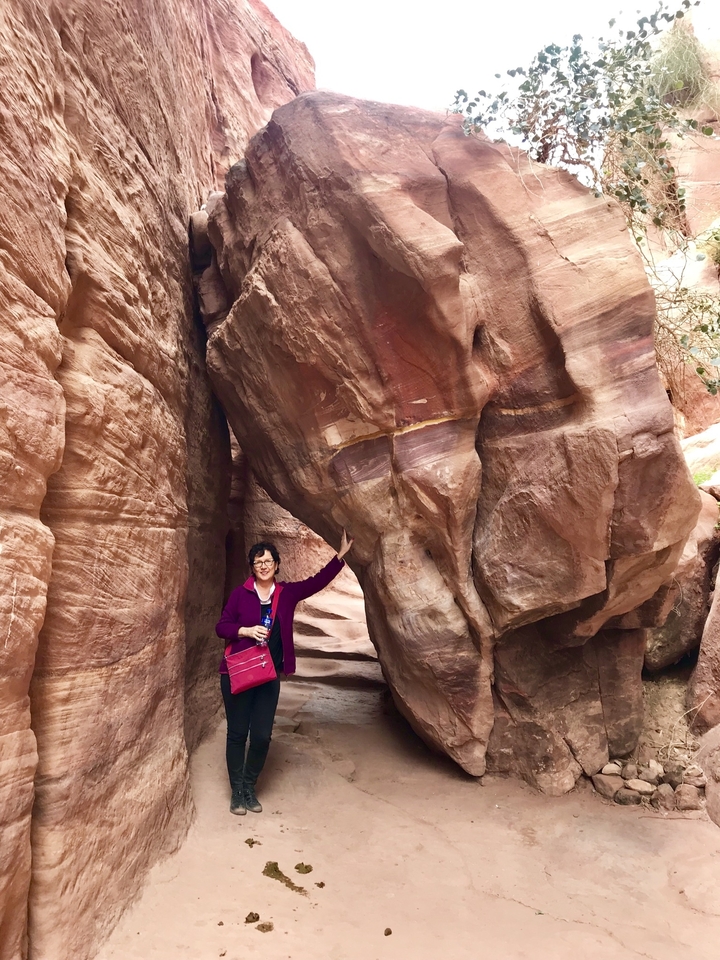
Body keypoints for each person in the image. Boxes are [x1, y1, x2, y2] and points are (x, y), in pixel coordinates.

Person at [216, 530, 354, 815]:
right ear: (252, 568)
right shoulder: (240, 595)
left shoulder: (286, 594)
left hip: (267, 676)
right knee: (237, 734)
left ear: (277, 565)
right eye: (258, 562)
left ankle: (250, 786)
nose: (263, 566)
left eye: (268, 561)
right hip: (238, 674)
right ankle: (237, 792)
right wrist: (244, 630)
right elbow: (222, 626)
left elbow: (316, 583)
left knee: (263, 736)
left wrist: (339, 557)